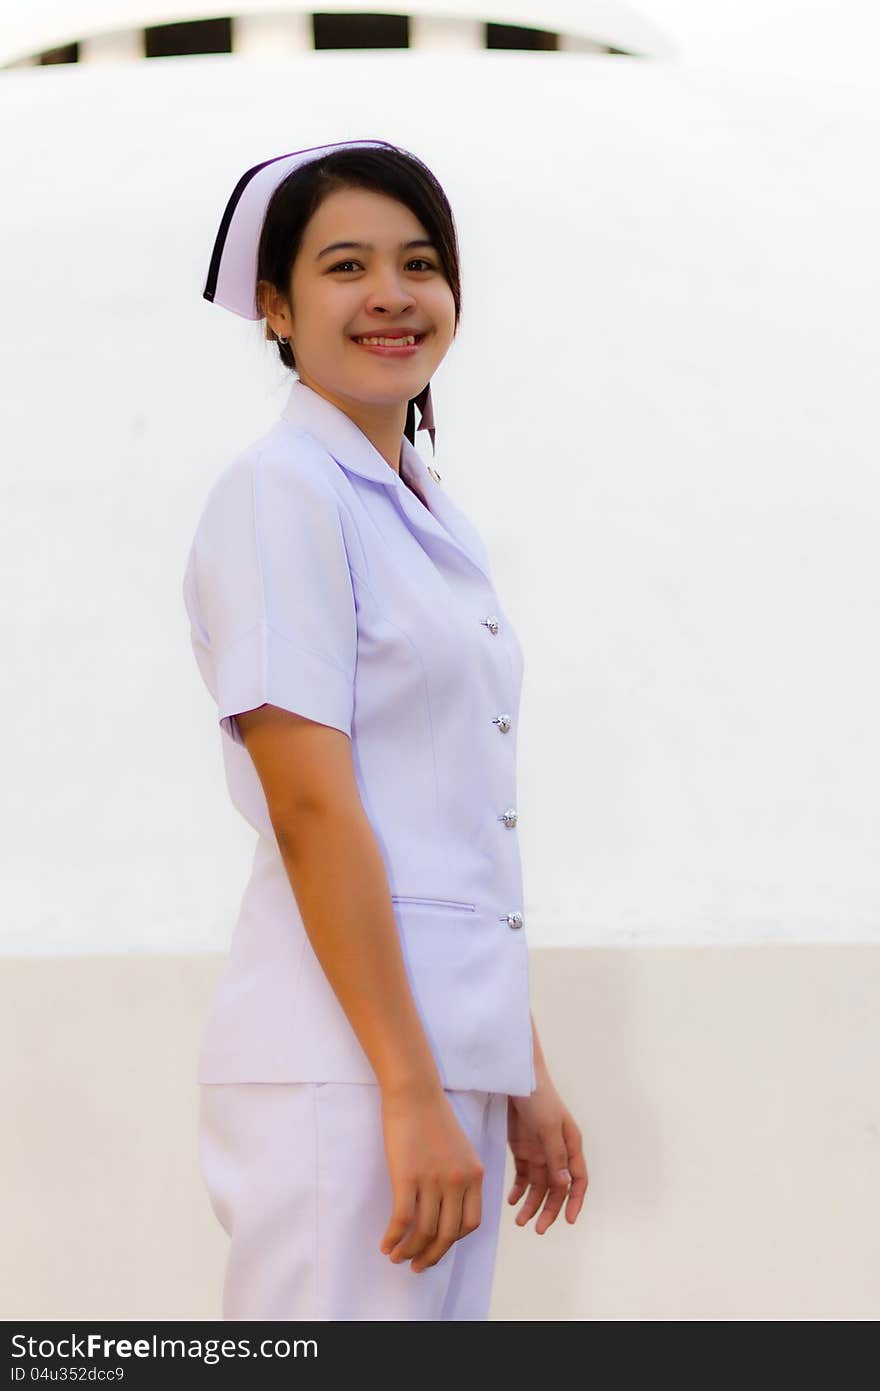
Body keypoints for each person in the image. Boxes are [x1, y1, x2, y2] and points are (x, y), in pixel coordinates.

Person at [183, 139, 588, 1321]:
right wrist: (407, 1089)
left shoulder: (420, 506)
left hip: (428, 1057)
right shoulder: (280, 492)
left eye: (420, 262)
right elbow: (312, 807)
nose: (392, 296)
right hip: (346, 1065)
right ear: (274, 305)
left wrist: (520, 1073)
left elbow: (449, 824)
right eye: (345, 265)